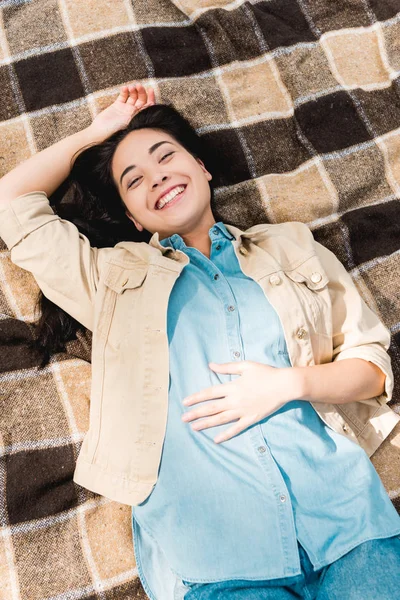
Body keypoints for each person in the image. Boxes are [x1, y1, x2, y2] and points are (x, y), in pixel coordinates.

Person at [0, 82, 399, 600]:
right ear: (134, 218)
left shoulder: (290, 247)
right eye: (133, 179)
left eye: (165, 156)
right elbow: (13, 201)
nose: (157, 175)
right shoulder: (113, 282)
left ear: (203, 169)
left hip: (348, 525)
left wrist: (288, 384)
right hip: (217, 557)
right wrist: (97, 131)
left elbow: (372, 364)